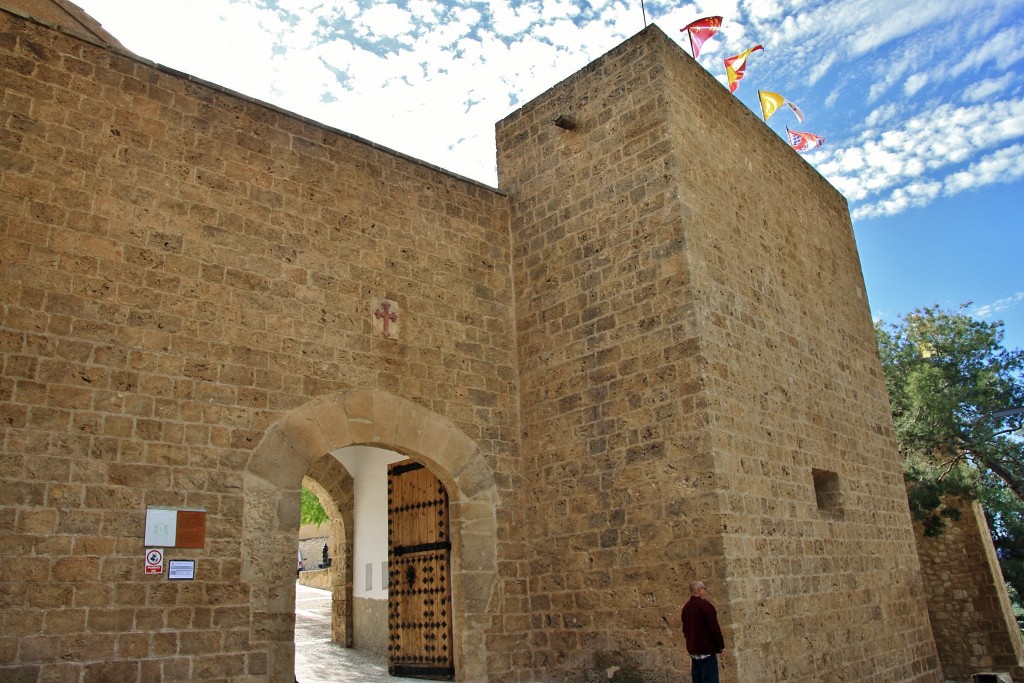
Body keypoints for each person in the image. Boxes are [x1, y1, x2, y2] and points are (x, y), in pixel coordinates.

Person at [680, 580, 725, 683]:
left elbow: (685, 630)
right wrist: (720, 646)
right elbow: (714, 628)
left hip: (694, 652)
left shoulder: (686, 608)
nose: (704, 591)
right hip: (707, 651)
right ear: (699, 590)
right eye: (704, 589)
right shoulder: (706, 606)